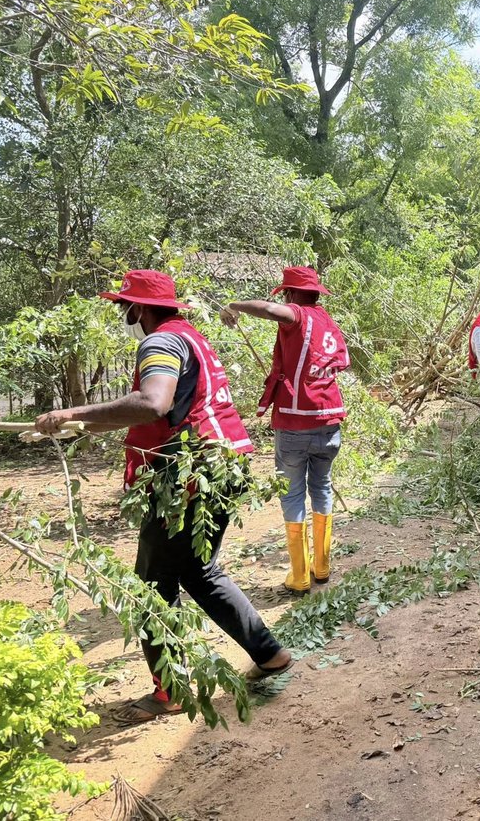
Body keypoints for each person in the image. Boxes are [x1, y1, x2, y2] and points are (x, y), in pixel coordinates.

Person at [35, 270, 292, 724]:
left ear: (139, 308)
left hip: (187, 475)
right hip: (221, 465)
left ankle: (169, 690)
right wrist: (75, 425)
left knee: (151, 585)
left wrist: (72, 410)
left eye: (123, 308)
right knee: (198, 569)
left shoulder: (159, 344)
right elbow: (165, 408)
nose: (122, 315)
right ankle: (269, 654)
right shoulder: (189, 336)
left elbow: (153, 403)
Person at [221, 266, 349, 594]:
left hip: (296, 421)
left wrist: (234, 305)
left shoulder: (298, 315)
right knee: (321, 486)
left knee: (293, 493)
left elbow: (267, 309)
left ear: (291, 294)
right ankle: (321, 567)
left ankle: (300, 576)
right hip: (329, 420)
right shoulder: (327, 322)